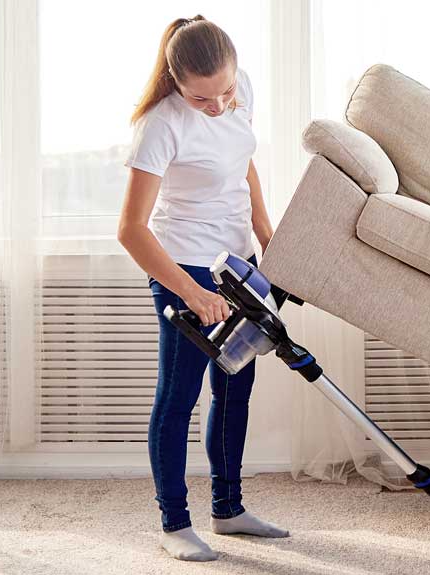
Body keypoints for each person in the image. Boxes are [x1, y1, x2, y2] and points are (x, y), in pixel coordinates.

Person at [117, 15, 285, 562]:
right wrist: (191, 293)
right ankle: (173, 522)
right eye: (201, 98)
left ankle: (228, 509)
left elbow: (245, 165)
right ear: (175, 81)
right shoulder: (161, 124)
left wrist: (265, 231)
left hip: (239, 265)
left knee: (235, 389)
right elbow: (131, 230)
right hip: (184, 269)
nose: (217, 106)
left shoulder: (240, 92)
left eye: (225, 92)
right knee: (178, 398)